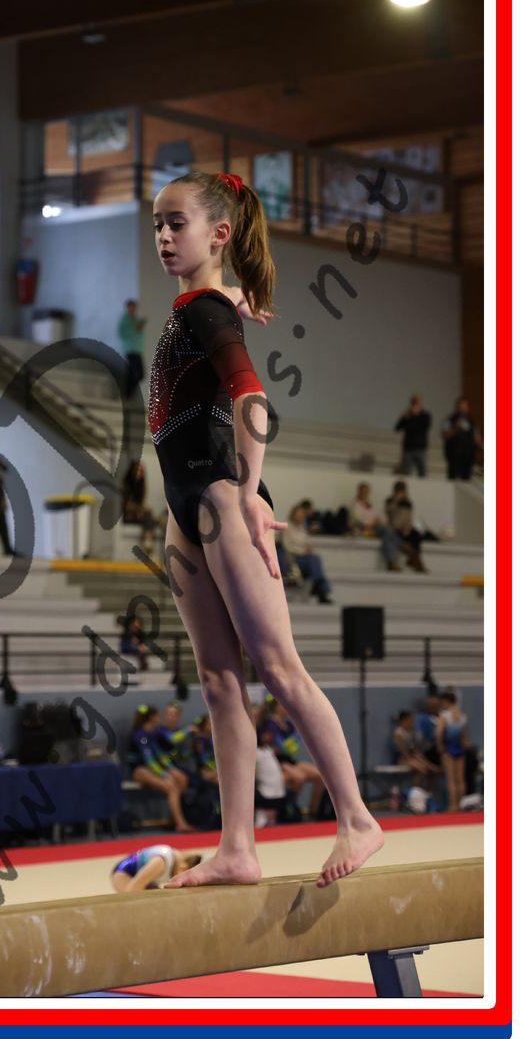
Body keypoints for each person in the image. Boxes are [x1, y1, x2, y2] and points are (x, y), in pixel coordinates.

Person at [147, 169, 382, 889]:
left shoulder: (202, 308)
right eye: (156, 224)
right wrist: (232, 300)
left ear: (218, 232)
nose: (163, 236)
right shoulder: (202, 306)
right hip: (186, 509)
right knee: (219, 682)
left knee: (276, 668)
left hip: (221, 496)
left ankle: (356, 818)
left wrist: (249, 493)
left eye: (176, 223)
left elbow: (250, 397)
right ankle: (237, 849)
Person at [126, 705, 194, 833]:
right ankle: (181, 824)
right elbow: (149, 761)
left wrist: (170, 769)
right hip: (140, 770)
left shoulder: (155, 732)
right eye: (158, 715)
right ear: (152, 717)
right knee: (171, 788)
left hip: (153, 768)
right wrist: (164, 775)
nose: (160, 718)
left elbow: (160, 754)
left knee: (182, 778)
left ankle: (173, 818)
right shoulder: (140, 735)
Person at [257, 697, 325, 818]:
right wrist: (285, 745)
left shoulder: (288, 724)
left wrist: (286, 745)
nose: (286, 708)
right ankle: (290, 809)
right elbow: (278, 745)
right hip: (275, 761)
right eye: (283, 705)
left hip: (288, 759)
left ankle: (313, 811)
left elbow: (292, 746)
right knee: (299, 777)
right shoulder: (270, 723)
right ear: (276, 707)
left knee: (320, 775)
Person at [280, 501, 334, 604]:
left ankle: (318, 585)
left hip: (303, 556)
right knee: (314, 560)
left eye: (302, 515)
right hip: (292, 557)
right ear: (293, 514)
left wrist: (307, 548)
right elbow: (287, 547)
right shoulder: (286, 527)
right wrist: (303, 550)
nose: (300, 517)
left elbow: (305, 542)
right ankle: (320, 587)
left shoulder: (301, 528)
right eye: (298, 515)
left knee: (315, 558)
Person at [348, 482, 408, 572]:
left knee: (386, 537)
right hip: (364, 530)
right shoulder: (354, 504)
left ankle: (390, 563)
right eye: (363, 491)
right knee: (386, 529)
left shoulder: (369, 505)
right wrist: (372, 522)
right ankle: (402, 544)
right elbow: (357, 521)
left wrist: (378, 520)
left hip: (373, 529)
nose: (365, 494)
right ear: (358, 492)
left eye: (366, 492)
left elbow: (377, 516)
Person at [110, 844, 201, 892]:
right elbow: (132, 891)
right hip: (124, 873)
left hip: (144, 879)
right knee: (131, 900)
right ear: (183, 868)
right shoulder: (160, 862)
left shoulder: (176, 862)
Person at [436, 691, 469, 812]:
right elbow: (464, 737)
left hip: (448, 748)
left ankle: (453, 805)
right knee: (460, 779)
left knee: (451, 779)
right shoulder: (462, 716)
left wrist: (440, 746)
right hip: (459, 748)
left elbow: (438, 733)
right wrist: (464, 746)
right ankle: (460, 805)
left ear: (446, 701)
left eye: (442, 702)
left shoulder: (444, 715)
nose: (441, 704)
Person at [384, 481, 428, 573]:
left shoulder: (407, 502)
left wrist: (407, 529)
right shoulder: (389, 501)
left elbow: (408, 517)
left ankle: (413, 560)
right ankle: (415, 561)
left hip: (405, 529)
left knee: (417, 535)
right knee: (392, 534)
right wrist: (396, 501)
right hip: (395, 528)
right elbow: (389, 512)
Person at [392, 709, 441, 789]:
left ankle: (427, 791)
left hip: (411, 756)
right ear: (404, 720)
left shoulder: (411, 732)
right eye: (410, 720)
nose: (412, 722)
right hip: (402, 759)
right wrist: (415, 759)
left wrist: (422, 759)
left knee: (430, 769)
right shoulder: (398, 733)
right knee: (423, 769)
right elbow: (403, 751)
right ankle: (415, 791)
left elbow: (415, 749)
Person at [121, 459, 158, 553]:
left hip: (139, 514)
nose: (139, 473)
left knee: (150, 516)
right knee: (148, 515)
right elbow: (127, 506)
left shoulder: (141, 485)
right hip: (128, 515)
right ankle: (148, 540)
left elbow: (141, 502)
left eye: (141, 471)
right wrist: (142, 509)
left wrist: (142, 509)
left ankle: (148, 540)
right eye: (137, 470)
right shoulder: (127, 484)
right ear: (132, 471)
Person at [441, 397, 482, 481]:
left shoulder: (471, 421)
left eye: (464, 408)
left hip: (468, 456)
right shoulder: (449, 420)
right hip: (454, 455)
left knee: (466, 479)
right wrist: (455, 428)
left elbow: (476, 437)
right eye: (460, 408)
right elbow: (444, 435)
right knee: (452, 479)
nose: (462, 410)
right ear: (456, 408)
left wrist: (481, 444)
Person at [394, 395, 431, 477]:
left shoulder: (425, 415)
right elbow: (397, 428)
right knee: (406, 473)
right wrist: (403, 417)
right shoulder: (407, 415)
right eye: (413, 402)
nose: (415, 404)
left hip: (420, 448)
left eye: (417, 402)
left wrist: (416, 415)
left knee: (422, 473)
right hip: (408, 448)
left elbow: (426, 426)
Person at [117, 299, 147, 398]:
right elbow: (124, 334)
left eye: (134, 307)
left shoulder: (134, 319)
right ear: (127, 308)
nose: (133, 309)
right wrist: (139, 326)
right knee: (135, 373)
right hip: (131, 349)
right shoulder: (125, 320)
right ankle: (127, 394)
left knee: (137, 374)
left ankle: (127, 394)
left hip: (138, 350)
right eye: (131, 307)